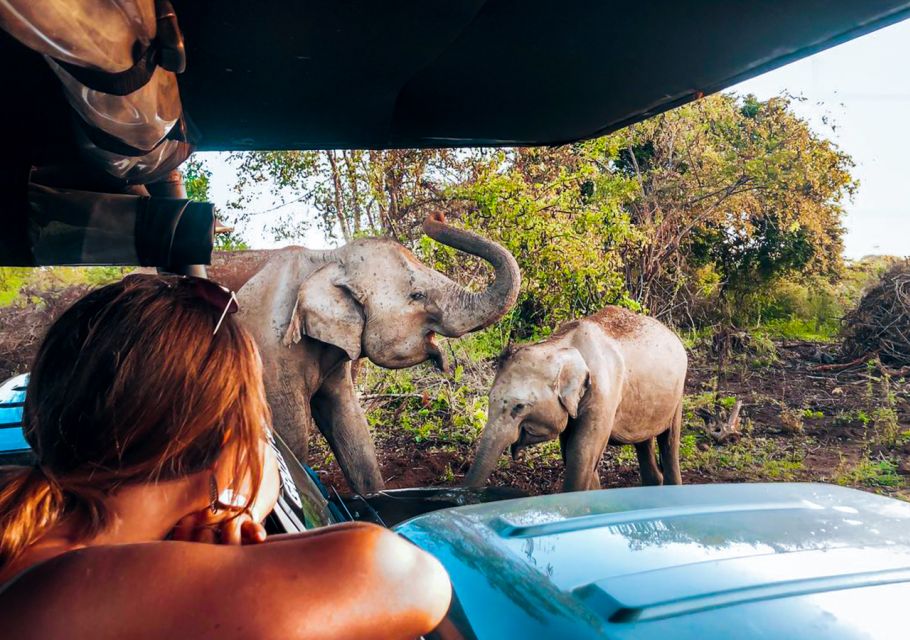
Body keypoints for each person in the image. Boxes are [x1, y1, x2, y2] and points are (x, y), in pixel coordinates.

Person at [0, 274, 451, 639]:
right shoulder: (69, 589)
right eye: (256, 421)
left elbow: (264, 470)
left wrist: (232, 505)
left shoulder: (37, 530)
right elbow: (410, 576)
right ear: (227, 440)